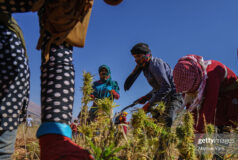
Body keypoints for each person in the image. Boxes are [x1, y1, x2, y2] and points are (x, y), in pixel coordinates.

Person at [0, 0, 123, 159]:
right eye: (101, 72)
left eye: (105, 72)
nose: (103, 74)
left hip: (8, 98)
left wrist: (54, 135)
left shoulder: (66, 6)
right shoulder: (96, 83)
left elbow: (58, 50)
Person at [173, 54, 238, 133]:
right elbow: (191, 109)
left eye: (191, 91)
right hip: (213, 89)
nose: (190, 93)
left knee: (226, 123)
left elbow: (208, 108)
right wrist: (191, 131)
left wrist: (200, 133)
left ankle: (223, 142)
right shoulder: (186, 82)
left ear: (197, 81)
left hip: (230, 91)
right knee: (214, 121)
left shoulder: (211, 76)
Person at [124, 42, 183, 127]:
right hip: (165, 99)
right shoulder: (146, 69)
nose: (136, 60)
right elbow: (158, 88)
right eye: (134, 57)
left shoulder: (155, 64)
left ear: (146, 54)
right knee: (155, 124)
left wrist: (148, 104)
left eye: (138, 56)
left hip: (174, 97)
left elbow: (166, 87)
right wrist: (146, 97)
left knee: (167, 122)